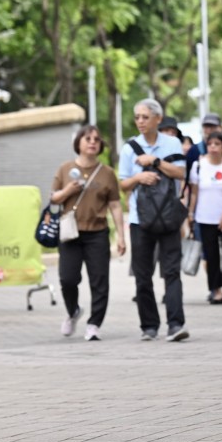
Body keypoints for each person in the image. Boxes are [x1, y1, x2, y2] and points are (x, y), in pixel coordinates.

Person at [118, 99, 190, 342]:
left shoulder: (172, 143)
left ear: (158, 119)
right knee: (142, 274)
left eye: (145, 117)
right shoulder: (129, 148)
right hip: (141, 219)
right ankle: (149, 326)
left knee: (171, 271)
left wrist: (156, 162)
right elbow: (122, 184)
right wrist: (140, 177)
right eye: (137, 117)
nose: (140, 121)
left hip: (169, 216)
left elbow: (181, 173)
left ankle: (175, 324)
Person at [51, 125, 126, 341]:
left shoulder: (107, 173)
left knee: (100, 280)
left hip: (97, 233)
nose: (93, 142)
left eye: (96, 139)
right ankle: (73, 311)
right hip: (70, 233)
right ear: (79, 143)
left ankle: (94, 324)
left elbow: (115, 206)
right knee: (67, 278)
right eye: (88, 138)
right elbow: (53, 198)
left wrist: (121, 236)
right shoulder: (65, 169)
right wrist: (69, 190)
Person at [188, 131, 222, 304]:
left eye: (217, 144)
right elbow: (194, 193)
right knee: (210, 255)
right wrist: (190, 213)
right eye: (210, 144)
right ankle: (216, 289)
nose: (213, 147)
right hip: (205, 217)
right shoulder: (198, 166)